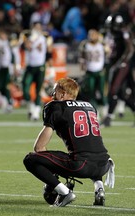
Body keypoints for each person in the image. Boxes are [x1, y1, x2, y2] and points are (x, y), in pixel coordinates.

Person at [23, 77, 115, 207]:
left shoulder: (56, 107)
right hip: (104, 164)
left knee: (30, 159)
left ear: (63, 94)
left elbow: (39, 147)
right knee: (90, 152)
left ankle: (65, 193)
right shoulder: (90, 106)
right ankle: (99, 188)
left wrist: (52, 174)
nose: (53, 95)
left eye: (55, 92)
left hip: (81, 165)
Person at [101, 14, 135, 127]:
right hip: (117, 64)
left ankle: (109, 118)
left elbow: (130, 49)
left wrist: (120, 63)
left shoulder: (124, 32)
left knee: (113, 90)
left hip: (123, 65)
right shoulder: (114, 34)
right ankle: (109, 117)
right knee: (122, 94)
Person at [21, 22, 48, 120]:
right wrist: (29, 39)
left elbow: (46, 48)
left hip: (40, 66)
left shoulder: (43, 38)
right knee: (25, 86)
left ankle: (36, 112)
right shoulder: (28, 37)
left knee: (38, 89)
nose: (37, 29)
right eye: (35, 27)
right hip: (30, 66)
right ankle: (31, 106)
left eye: (39, 27)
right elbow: (24, 46)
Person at [78, 29, 107, 109]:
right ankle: (94, 108)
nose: (92, 36)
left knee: (102, 91)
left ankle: (105, 108)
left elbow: (109, 54)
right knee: (91, 91)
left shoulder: (102, 44)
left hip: (100, 71)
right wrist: (82, 68)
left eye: (94, 35)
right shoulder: (85, 44)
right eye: (91, 35)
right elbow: (81, 57)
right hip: (89, 71)